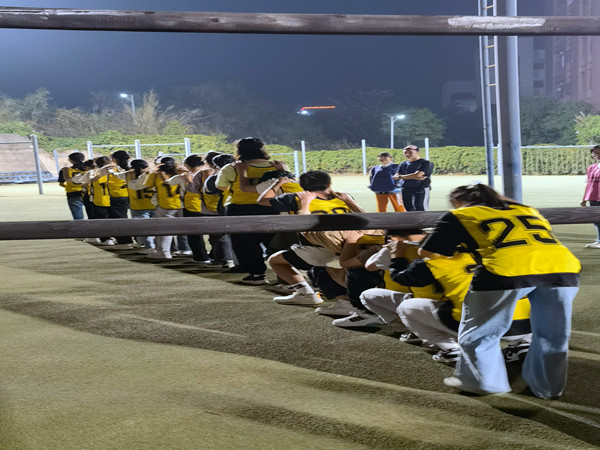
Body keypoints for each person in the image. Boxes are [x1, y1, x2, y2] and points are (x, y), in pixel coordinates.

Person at [419, 183, 581, 398]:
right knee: (553, 335)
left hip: (505, 271)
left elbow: (427, 252)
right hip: (563, 269)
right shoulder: (527, 209)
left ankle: (483, 383)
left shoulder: (461, 214)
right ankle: (549, 387)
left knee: (479, 332)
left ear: (456, 202)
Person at [262, 170, 365, 305]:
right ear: (329, 184)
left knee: (276, 260)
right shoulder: (344, 196)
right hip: (353, 243)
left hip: (320, 245)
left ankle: (306, 293)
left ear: (302, 186)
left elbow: (262, 200)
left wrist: (277, 184)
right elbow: (366, 218)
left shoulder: (295, 198)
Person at [215, 137, 279, 285]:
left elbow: (221, 186)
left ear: (239, 150)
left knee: (245, 244)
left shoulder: (231, 167)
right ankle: (286, 275)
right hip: (270, 206)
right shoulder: (275, 166)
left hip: (240, 207)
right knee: (274, 242)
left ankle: (257, 275)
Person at [393, 145, 434, 211]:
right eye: (405, 153)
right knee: (408, 209)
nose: (407, 154)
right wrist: (413, 177)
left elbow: (418, 174)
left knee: (420, 208)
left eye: (410, 152)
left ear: (418, 152)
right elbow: (395, 176)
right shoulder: (403, 164)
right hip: (405, 189)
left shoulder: (425, 163)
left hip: (420, 188)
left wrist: (401, 177)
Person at [580, 144, 600, 248]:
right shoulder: (591, 168)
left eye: (598, 152)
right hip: (593, 198)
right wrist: (584, 199)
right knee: (596, 219)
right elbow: (589, 184)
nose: (596, 154)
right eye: (594, 153)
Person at [59, 152, 86, 220]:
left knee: (78, 217)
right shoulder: (88, 169)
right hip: (87, 193)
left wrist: (69, 186)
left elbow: (61, 184)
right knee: (93, 216)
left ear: (70, 160)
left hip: (73, 194)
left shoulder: (66, 170)